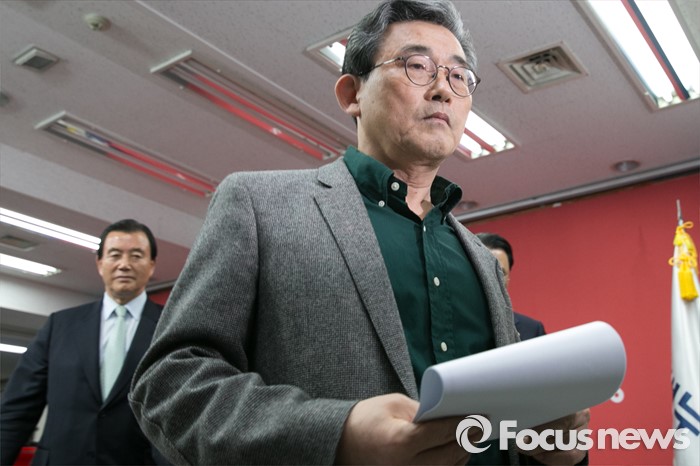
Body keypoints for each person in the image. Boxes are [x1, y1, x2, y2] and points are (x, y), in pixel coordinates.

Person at [129, 1, 589, 464]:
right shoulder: (258, 205)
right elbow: (169, 382)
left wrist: (549, 446)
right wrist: (337, 434)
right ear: (352, 93)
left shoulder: (482, 261)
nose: (443, 90)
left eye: (458, 76)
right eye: (417, 66)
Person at [1, 219, 167, 465]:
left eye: (136, 256)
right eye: (115, 255)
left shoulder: (170, 328)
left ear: (151, 265)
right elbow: (17, 408)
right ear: (100, 264)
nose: (124, 264)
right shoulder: (60, 326)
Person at [476, 232, 546, 340]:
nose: (493, 279)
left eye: (501, 273)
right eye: (486, 270)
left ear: (508, 278)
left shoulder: (532, 331)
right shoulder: (454, 328)